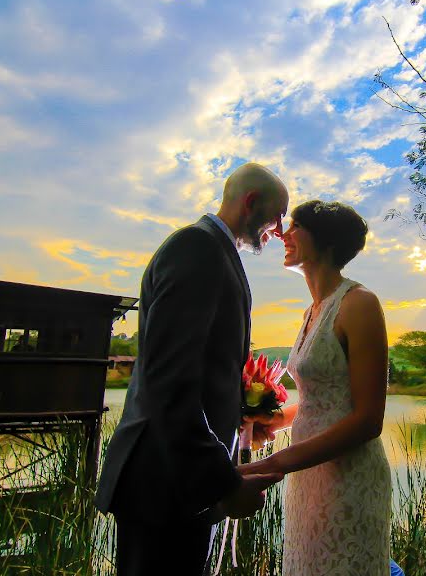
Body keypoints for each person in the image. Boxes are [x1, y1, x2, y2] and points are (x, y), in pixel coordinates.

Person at [95, 162, 289, 576]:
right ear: (250, 201)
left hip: (177, 482)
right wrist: (224, 483)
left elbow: (202, 371)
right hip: (162, 481)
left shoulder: (213, 251)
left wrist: (243, 413)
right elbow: (169, 381)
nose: (280, 230)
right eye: (277, 216)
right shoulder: (196, 248)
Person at [238, 200, 392, 575]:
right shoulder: (312, 311)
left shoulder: (360, 304)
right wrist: (274, 421)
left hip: (349, 477)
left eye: (295, 227)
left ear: (326, 242)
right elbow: (320, 401)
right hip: (310, 474)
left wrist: (272, 464)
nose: (282, 234)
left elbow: (368, 419)